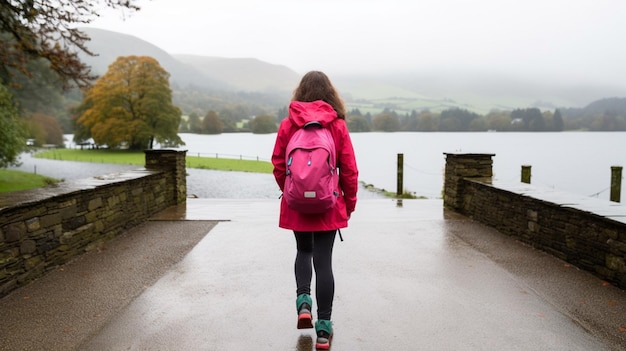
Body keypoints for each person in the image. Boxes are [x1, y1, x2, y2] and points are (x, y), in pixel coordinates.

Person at [271, 71, 359, 350]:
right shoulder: (338, 126)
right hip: (329, 203)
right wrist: (350, 202)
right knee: (324, 262)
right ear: (331, 93)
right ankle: (323, 330)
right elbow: (350, 170)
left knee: (303, 251)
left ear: (301, 92)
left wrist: (291, 192)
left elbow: (276, 163)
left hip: (297, 204)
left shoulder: (289, 124)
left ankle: (303, 302)